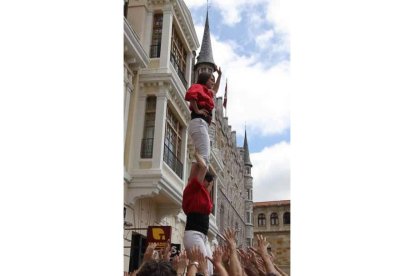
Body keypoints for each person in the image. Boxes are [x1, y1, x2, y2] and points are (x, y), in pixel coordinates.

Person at [182, 152, 215, 275]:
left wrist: (210, 182)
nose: (208, 184)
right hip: (194, 233)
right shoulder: (193, 188)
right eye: (207, 180)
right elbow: (204, 167)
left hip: (204, 235)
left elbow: (209, 185)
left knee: (210, 269)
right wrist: (198, 152)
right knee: (203, 269)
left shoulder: (204, 194)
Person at [185, 67, 222, 167]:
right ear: (205, 79)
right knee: (205, 158)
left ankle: (192, 181)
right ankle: (196, 182)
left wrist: (220, 76)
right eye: (211, 80)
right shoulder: (198, 87)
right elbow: (192, 96)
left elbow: (215, 89)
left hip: (203, 124)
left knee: (201, 157)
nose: (213, 83)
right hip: (199, 122)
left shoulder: (207, 92)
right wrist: (197, 110)